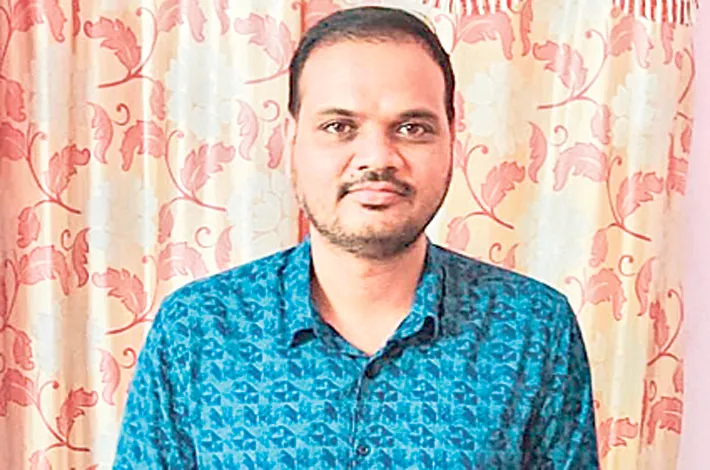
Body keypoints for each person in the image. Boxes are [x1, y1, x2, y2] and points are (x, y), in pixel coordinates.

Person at [113, 6, 599, 469]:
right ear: (292, 141)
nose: (377, 157)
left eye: (412, 127)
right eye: (339, 126)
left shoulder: (533, 327)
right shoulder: (196, 328)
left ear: (453, 139)